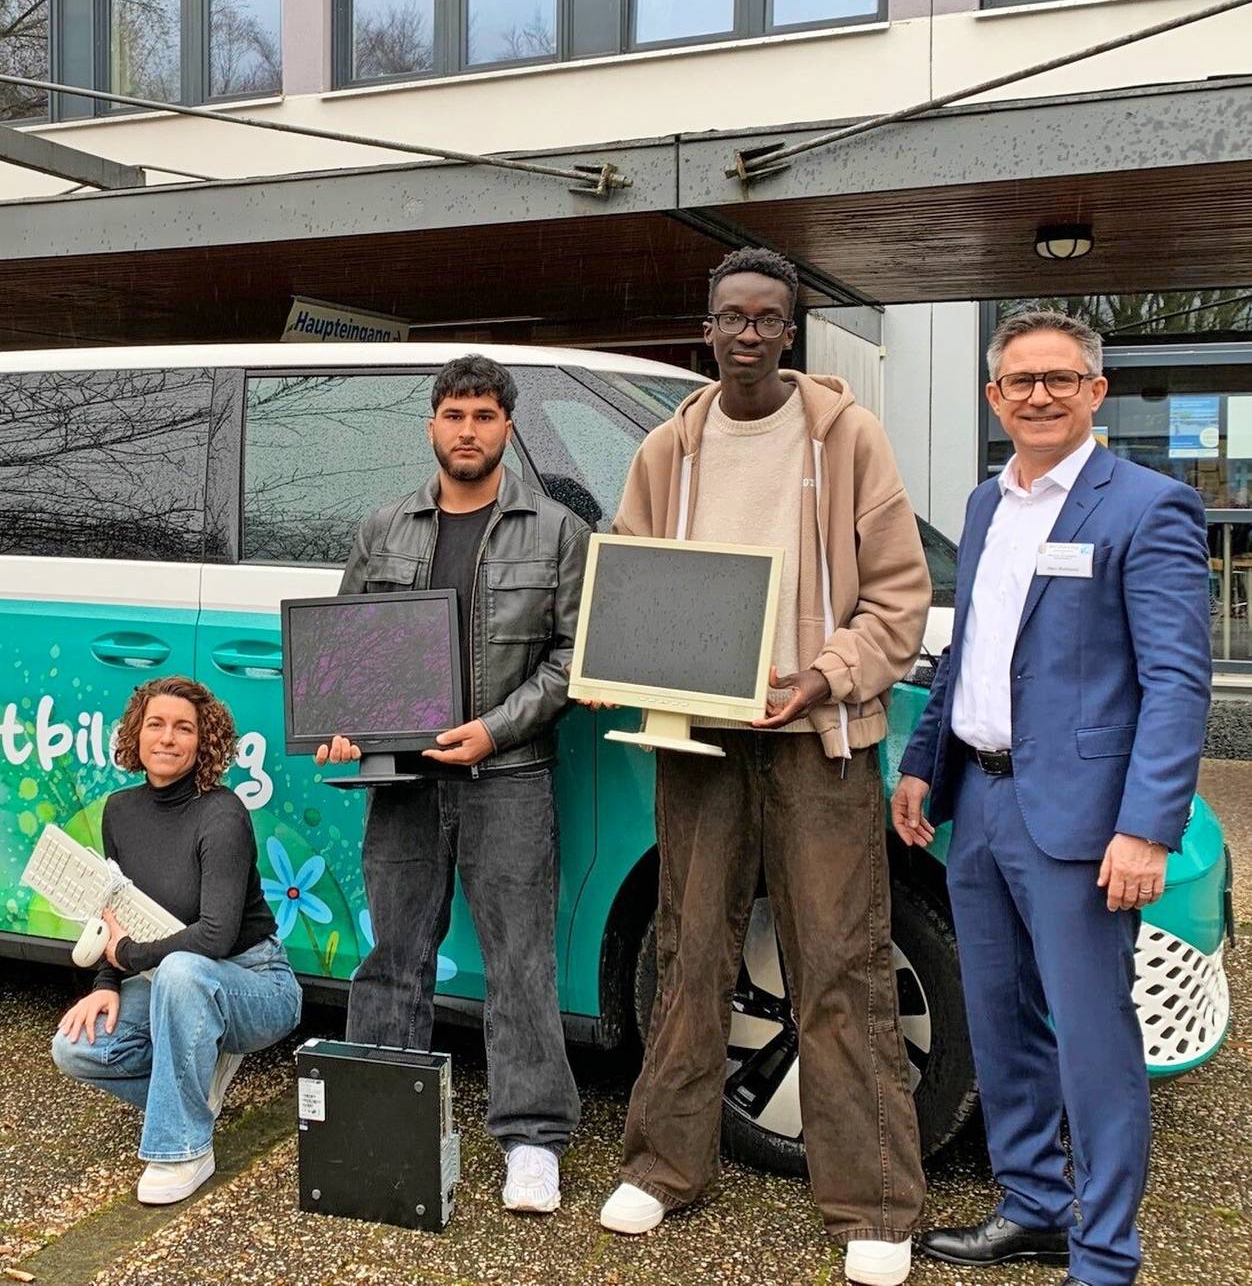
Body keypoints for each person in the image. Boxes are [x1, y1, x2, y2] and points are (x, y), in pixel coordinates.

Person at [598, 247, 929, 1286]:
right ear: (707, 328)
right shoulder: (667, 447)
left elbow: (898, 602)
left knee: (840, 958)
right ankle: (662, 1163)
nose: (748, 332)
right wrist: (622, 657)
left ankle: (873, 1202)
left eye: (767, 317)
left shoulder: (850, 437)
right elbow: (634, 574)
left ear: (792, 332)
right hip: (699, 740)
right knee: (689, 947)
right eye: (730, 315)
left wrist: (822, 677)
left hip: (817, 738)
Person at [894, 311, 1209, 1286]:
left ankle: (1106, 1252)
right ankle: (1034, 1204)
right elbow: (970, 652)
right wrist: (921, 760)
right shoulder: (987, 505)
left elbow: (1177, 680)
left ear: (1096, 391)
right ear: (994, 398)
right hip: (980, 806)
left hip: (1080, 820)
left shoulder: (1146, 507)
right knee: (999, 1020)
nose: (1039, 394)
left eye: (1060, 379)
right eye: (1020, 380)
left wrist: (1147, 825)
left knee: (1092, 1035)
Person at [314, 352, 588, 1216]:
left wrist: (494, 730)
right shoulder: (382, 526)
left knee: (521, 961)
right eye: (454, 414)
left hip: (508, 772)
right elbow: (345, 647)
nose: (468, 430)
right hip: (400, 779)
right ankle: (376, 1121)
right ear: (430, 424)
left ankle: (533, 1139)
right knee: (393, 952)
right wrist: (341, 725)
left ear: (508, 427)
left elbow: (573, 657)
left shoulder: (556, 531)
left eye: (484, 415)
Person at [51, 677, 302, 1206]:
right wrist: (105, 981)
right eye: (156, 724)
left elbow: (215, 935)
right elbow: (115, 907)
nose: (167, 738)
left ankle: (183, 1149)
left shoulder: (223, 813)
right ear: (136, 736)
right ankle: (191, 1087)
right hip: (167, 977)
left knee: (183, 970)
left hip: (254, 983)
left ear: (202, 742)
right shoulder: (119, 810)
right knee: (75, 1046)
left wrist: (130, 957)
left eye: (183, 728)